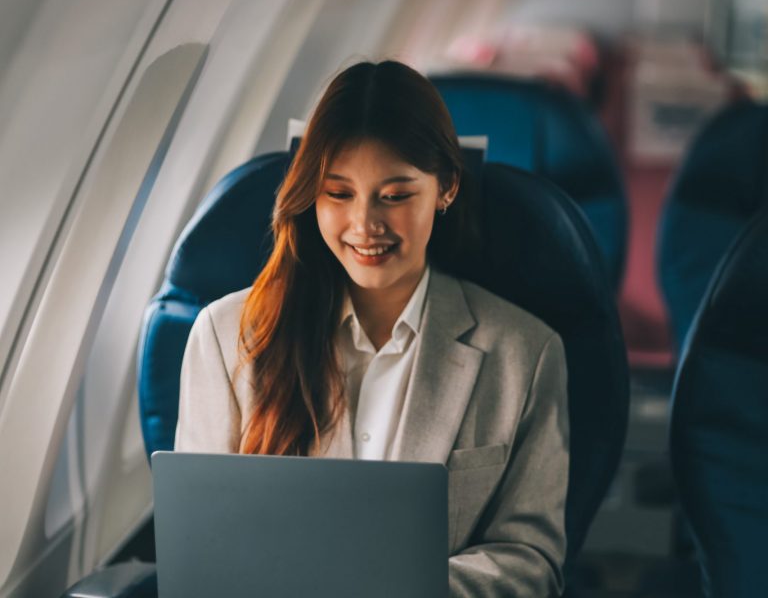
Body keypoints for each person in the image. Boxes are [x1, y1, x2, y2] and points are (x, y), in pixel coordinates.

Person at [175, 60, 569, 597]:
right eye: (339, 194)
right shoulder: (227, 338)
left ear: (446, 188)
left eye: (395, 195)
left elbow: (531, 559)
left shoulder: (525, 353)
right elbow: (203, 548)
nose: (365, 225)